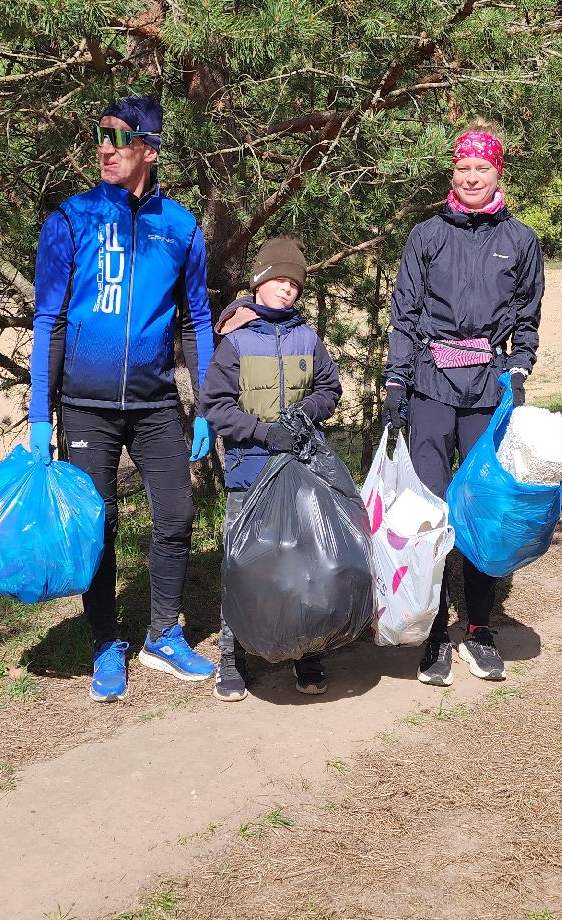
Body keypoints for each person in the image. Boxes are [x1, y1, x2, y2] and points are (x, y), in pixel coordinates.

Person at [28, 94, 218, 703]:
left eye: (119, 137)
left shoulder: (180, 228)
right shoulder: (71, 220)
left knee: (177, 516)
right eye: (100, 135)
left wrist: (207, 401)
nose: (105, 148)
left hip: (157, 400)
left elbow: (196, 321)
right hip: (85, 405)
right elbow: (50, 320)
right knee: (99, 525)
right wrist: (40, 413)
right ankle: (107, 642)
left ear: (149, 150)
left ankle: (163, 632)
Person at [383, 127, 544, 686]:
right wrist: (395, 386)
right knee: (429, 510)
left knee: (478, 509)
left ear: (497, 173)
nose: (471, 178)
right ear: (452, 172)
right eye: (462, 168)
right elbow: (404, 315)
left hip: (486, 390)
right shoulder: (426, 235)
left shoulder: (520, 241)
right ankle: (431, 635)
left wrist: (518, 370)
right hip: (430, 386)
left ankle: (478, 628)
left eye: (481, 169)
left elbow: (527, 317)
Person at [197, 236, 346, 701]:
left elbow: (330, 388)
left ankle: (307, 654)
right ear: (260, 281)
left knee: (306, 566)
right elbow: (214, 406)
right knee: (243, 567)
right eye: (280, 280)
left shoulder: (307, 337)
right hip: (250, 472)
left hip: (302, 472)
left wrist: (308, 415)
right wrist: (263, 432)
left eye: (296, 284)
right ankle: (230, 660)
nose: (288, 290)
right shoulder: (234, 341)